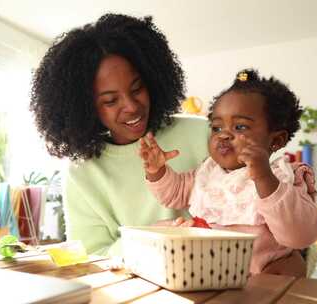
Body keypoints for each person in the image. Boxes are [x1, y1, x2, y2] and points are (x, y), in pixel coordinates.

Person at [30, 13, 210, 256]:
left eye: (137, 89)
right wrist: (146, 240)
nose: (132, 106)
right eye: (111, 100)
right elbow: (88, 257)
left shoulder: (204, 134)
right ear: (86, 108)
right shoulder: (82, 173)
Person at [139, 69, 317, 277]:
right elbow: (174, 193)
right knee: (160, 232)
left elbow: (300, 236)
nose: (223, 135)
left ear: (276, 140)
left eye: (240, 127)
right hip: (212, 275)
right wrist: (156, 170)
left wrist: (264, 178)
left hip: (265, 278)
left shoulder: (284, 178)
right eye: (216, 128)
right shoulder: (207, 174)